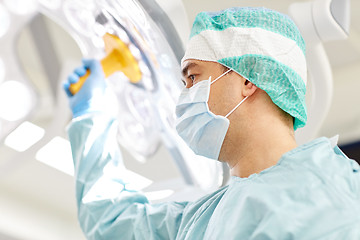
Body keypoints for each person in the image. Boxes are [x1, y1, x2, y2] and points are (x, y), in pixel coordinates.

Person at [63, 7, 360, 240]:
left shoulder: (327, 195)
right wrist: (92, 117)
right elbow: (109, 221)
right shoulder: (204, 218)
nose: (183, 98)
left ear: (247, 79)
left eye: (193, 77)